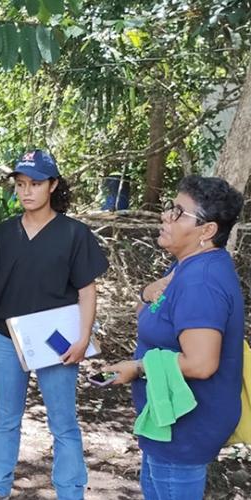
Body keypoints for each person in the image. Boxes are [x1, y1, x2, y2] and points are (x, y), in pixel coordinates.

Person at [0, 150, 109, 500]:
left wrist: (83, 338)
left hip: (56, 340)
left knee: (63, 423)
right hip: (8, 338)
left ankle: (70, 491)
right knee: (6, 418)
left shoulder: (74, 234)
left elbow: (87, 291)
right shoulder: (4, 233)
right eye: (20, 184)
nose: (26, 191)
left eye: (35, 184)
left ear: (53, 185)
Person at [105, 176, 245, 500]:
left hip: (184, 430)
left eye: (179, 212)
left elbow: (201, 364)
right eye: (171, 207)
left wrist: (137, 368)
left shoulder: (201, 282)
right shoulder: (187, 267)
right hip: (167, 422)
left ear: (207, 230)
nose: (166, 216)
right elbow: (149, 311)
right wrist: (145, 291)